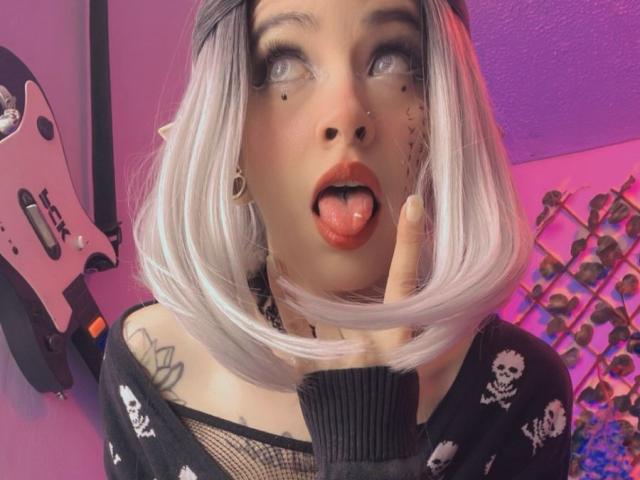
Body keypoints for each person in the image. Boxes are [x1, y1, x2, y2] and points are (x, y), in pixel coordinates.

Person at [99, 0, 574, 478]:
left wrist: (370, 447)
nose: (346, 114)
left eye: (391, 60)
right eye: (282, 65)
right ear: (229, 137)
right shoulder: (146, 360)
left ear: (446, 119)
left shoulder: (522, 384)